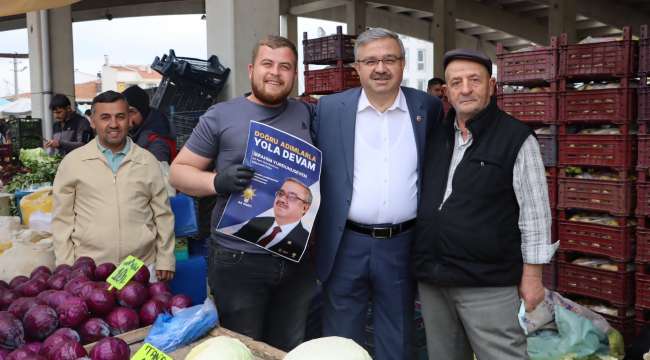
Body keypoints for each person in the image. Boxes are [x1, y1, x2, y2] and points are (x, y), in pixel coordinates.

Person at [169, 35, 315, 351]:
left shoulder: (305, 114)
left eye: (285, 66)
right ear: (251, 70)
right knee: (241, 349)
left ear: (294, 74)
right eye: (267, 64)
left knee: (288, 349)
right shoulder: (221, 115)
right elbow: (178, 172)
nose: (275, 73)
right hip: (238, 259)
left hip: (294, 258)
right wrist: (216, 182)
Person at [413, 48, 558, 359]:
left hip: (487, 285)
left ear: (491, 86)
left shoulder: (516, 138)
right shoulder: (437, 136)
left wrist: (532, 278)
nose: (465, 89)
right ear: (446, 91)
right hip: (434, 279)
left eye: (474, 80)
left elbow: (535, 215)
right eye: (456, 82)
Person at [312, 28, 443, 360]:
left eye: (389, 59)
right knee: (341, 337)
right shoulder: (329, 110)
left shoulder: (426, 107)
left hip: (401, 244)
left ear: (402, 63)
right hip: (345, 242)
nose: (380, 68)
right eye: (370, 61)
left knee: (397, 334)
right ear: (357, 67)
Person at [52, 90, 175, 281]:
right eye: (105, 117)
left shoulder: (147, 161)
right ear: (93, 121)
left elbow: (163, 215)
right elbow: (62, 220)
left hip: (139, 265)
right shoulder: (73, 162)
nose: (114, 124)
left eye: (120, 116)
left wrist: (166, 259)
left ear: (129, 119)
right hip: (90, 269)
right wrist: (66, 266)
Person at [233, 177, 312, 259]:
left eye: (292, 197)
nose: (282, 199)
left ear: (305, 208)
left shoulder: (305, 239)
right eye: (281, 194)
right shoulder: (257, 221)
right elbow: (233, 242)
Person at [122, 85, 176, 163]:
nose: (126, 118)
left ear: (143, 111)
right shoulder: (135, 131)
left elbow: (155, 173)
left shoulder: (157, 143)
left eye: (131, 112)